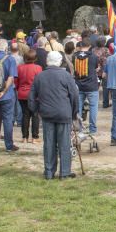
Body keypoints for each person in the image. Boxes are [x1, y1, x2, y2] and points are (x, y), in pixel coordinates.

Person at [31, 51, 79, 179]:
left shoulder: (40, 76)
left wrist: (37, 111)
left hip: (47, 114)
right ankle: (64, 173)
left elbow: (32, 98)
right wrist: (74, 113)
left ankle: (49, 172)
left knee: (49, 144)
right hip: (64, 113)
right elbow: (74, 95)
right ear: (59, 62)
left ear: (47, 61)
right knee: (64, 144)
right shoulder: (66, 76)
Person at [72, 39, 100, 134]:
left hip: (78, 84)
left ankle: (79, 128)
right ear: (89, 46)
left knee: (78, 107)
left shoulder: (74, 56)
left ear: (80, 46)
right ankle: (92, 129)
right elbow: (96, 67)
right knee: (93, 107)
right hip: (91, 85)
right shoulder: (93, 57)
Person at [16, 48, 43, 144]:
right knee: (35, 115)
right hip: (34, 94)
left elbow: (17, 82)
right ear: (35, 58)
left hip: (22, 93)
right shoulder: (38, 68)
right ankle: (34, 137)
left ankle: (24, 137)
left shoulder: (20, 67)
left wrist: (19, 89)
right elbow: (40, 82)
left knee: (25, 115)